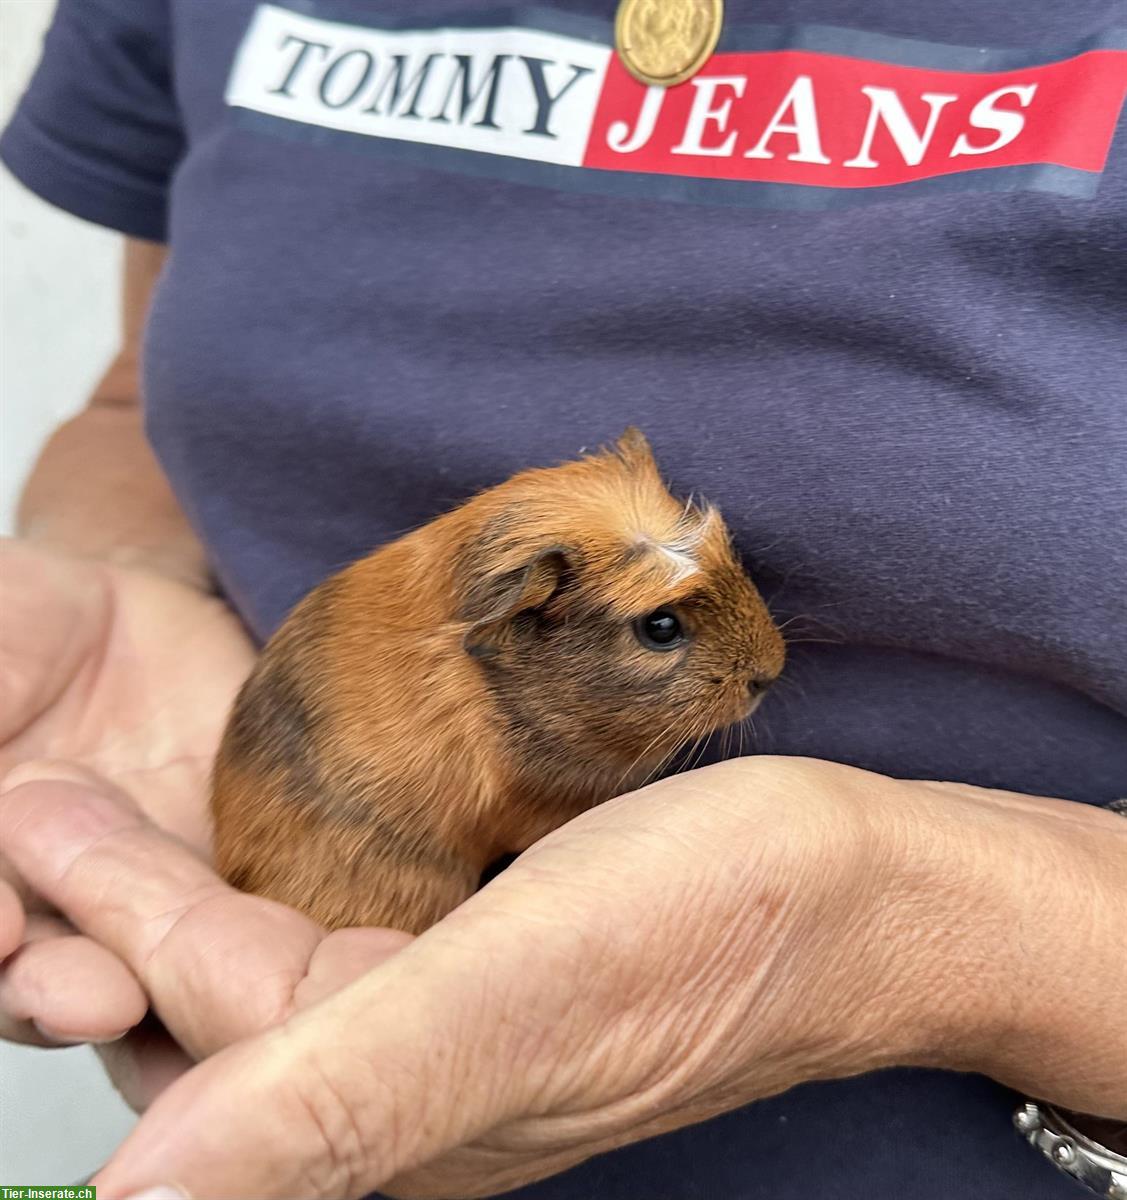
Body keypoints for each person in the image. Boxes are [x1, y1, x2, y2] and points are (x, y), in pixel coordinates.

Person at [1, 1, 1125, 1197]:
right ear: (521, 618)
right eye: (662, 627)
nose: (757, 665)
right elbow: (143, 406)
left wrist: (943, 934)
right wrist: (117, 568)